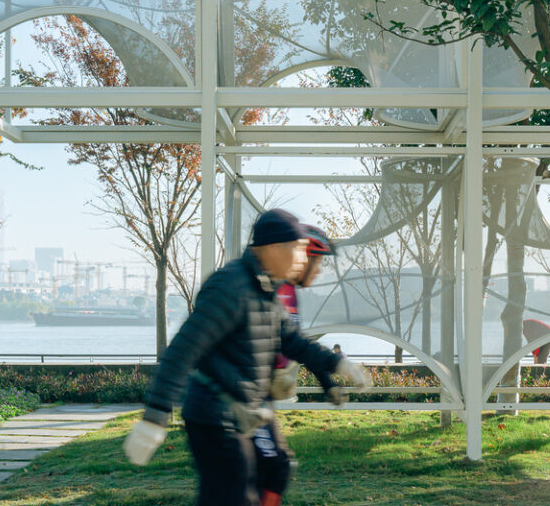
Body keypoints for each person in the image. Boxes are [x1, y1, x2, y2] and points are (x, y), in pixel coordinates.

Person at [123, 209, 371, 506]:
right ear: (275, 248)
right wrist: (154, 417)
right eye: (300, 250)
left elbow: (291, 341)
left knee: (251, 491)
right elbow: (183, 350)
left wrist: (338, 365)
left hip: (240, 415)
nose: (305, 260)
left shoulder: (266, 289)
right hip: (214, 417)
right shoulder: (231, 287)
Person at [253, 225, 336, 506]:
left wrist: (328, 383)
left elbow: (296, 344)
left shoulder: (289, 292)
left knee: (276, 468)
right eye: (319, 262)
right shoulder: (275, 289)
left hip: (259, 398)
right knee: (272, 467)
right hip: (241, 397)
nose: (319, 271)